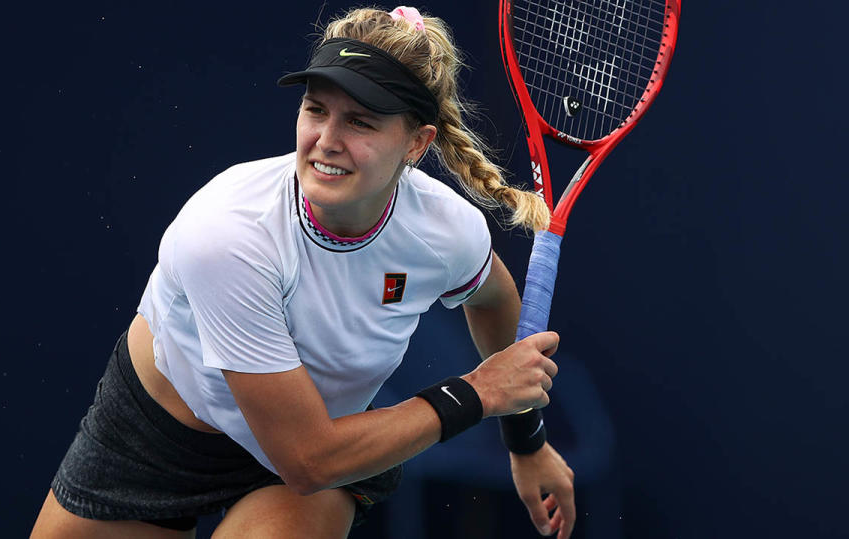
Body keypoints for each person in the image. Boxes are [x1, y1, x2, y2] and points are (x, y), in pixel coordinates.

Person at [31, 6, 575, 539]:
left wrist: (527, 443)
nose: (327, 139)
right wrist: (476, 392)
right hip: (161, 440)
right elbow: (307, 457)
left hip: (319, 458)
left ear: (417, 143)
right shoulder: (227, 236)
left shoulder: (445, 230)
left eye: (360, 121)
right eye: (317, 110)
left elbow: (494, 301)